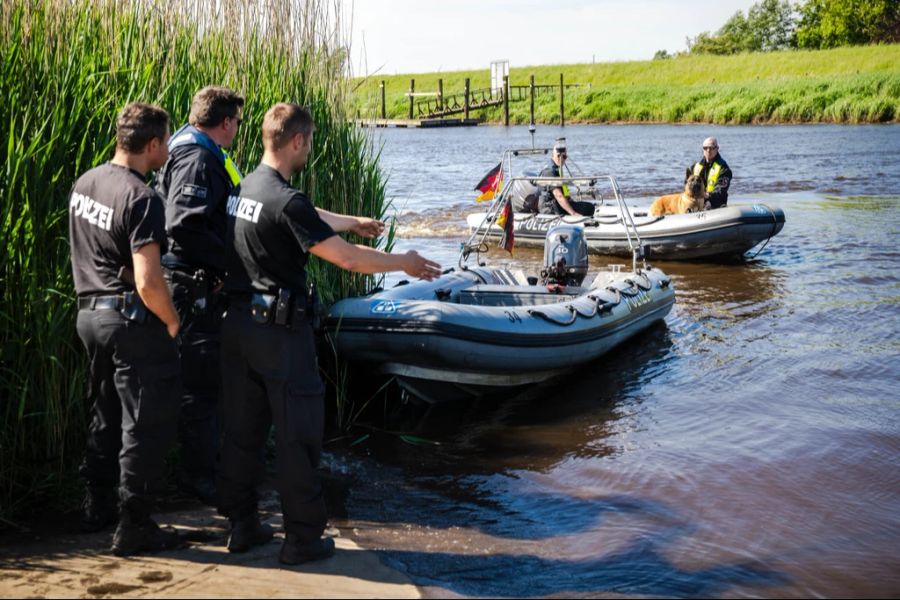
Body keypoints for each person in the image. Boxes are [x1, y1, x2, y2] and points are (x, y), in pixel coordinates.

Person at [217, 102, 441, 564]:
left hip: (239, 332)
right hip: (281, 337)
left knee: (244, 433)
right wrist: (406, 263)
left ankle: (242, 526)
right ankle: (301, 539)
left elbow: (298, 215)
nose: (310, 150)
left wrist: (352, 221)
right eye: (309, 142)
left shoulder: (245, 189)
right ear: (297, 141)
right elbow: (349, 260)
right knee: (298, 437)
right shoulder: (285, 199)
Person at [69, 102, 183, 556]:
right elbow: (147, 279)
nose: (169, 150)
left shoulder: (86, 182)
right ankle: (134, 524)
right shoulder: (143, 198)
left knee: (105, 412)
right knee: (143, 422)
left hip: (88, 316)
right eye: (166, 142)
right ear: (152, 144)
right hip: (127, 320)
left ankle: (94, 506)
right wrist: (172, 321)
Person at [153, 86, 245, 505]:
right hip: (193, 287)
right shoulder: (196, 157)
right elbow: (185, 226)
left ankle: (201, 471)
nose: (236, 131)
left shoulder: (191, 148)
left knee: (202, 384)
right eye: (236, 123)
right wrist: (227, 266)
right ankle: (196, 481)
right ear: (225, 122)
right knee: (201, 388)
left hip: (195, 282)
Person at [538, 138, 594, 217]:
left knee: (587, 206)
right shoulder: (549, 171)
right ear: (554, 156)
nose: (562, 159)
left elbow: (562, 191)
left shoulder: (556, 168)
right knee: (589, 208)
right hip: (550, 208)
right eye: (560, 156)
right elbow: (558, 195)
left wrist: (568, 198)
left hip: (555, 203)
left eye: (565, 157)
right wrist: (573, 213)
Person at [691, 137, 732, 209]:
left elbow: (721, 190)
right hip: (696, 203)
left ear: (717, 148)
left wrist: (707, 196)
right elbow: (687, 186)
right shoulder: (695, 167)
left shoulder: (724, 168)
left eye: (711, 148)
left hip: (715, 204)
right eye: (705, 148)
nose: (708, 150)